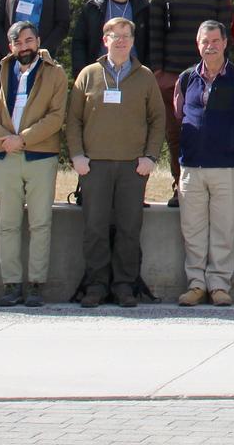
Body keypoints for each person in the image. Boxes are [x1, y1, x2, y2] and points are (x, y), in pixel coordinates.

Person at [66, 16, 167, 308]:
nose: (121, 40)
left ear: (133, 41)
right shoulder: (88, 74)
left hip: (132, 167)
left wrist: (150, 156)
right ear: (105, 39)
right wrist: (77, 156)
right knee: (95, 228)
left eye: (126, 35)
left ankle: (124, 285)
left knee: (128, 229)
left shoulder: (145, 76)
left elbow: (157, 119)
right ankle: (96, 286)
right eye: (115, 35)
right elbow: (73, 120)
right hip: (94, 166)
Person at [0, 19, 66, 307]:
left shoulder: (55, 73)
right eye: (17, 42)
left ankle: (36, 285)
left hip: (40, 155)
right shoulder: (0, 71)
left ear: (38, 42)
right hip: (6, 155)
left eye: (29, 41)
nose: (23, 47)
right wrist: (4, 139)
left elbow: (56, 116)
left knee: (40, 223)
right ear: (10, 45)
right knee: (8, 223)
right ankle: (11, 284)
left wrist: (23, 139)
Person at [174, 19, 234, 307]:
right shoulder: (186, 78)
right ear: (198, 45)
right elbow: (179, 115)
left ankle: (219, 285)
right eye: (204, 42)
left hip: (227, 167)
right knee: (192, 230)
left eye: (215, 41)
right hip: (192, 166)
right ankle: (196, 285)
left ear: (225, 43)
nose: (210, 46)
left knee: (223, 230)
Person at [146, 0, 232, 199]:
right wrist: (158, 73)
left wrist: (219, 73)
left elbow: (225, 36)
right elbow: (155, 34)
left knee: (209, 131)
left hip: (208, 77)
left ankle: (210, 189)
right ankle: (180, 187)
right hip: (171, 76)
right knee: (175, 135)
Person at [74, 0, 152, 102]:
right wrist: (81, 74)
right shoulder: (93, 7)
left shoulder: (143, 7)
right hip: (99, 77)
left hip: (134, 78)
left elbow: (151, 43)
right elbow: (79, 42)